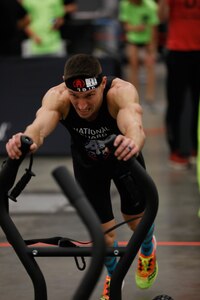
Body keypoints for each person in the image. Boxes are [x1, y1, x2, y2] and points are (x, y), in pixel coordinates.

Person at [6, 53, 158, 299]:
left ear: (101, 84)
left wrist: (132, 143)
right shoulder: (58, 96)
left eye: (89, 95)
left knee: (136, 223)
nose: (83, 105)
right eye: (75, 97)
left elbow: (134, 125)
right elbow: (38, 127)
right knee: (103, 236)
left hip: (124, 158)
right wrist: (24, 141)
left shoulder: (119, 92)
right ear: (65, 84)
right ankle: (115, 278)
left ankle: (148, 250)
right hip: (88, 167)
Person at [158, 0, 200, 169]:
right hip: (177, 51)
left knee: (198, 104)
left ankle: (196, 149)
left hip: (199, 52)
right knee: (176, 103)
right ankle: (175, 151)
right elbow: (161, 17)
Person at [119, 0, 159, 110]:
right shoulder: (125, 5)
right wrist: (137, 28)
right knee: (133, 66)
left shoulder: (151, 5)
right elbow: (126, 26)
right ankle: (133, 96)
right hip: (133, 40)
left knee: (150, 66)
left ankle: (150, 98)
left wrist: (152, 48)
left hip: (147, 41)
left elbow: (154, 28)